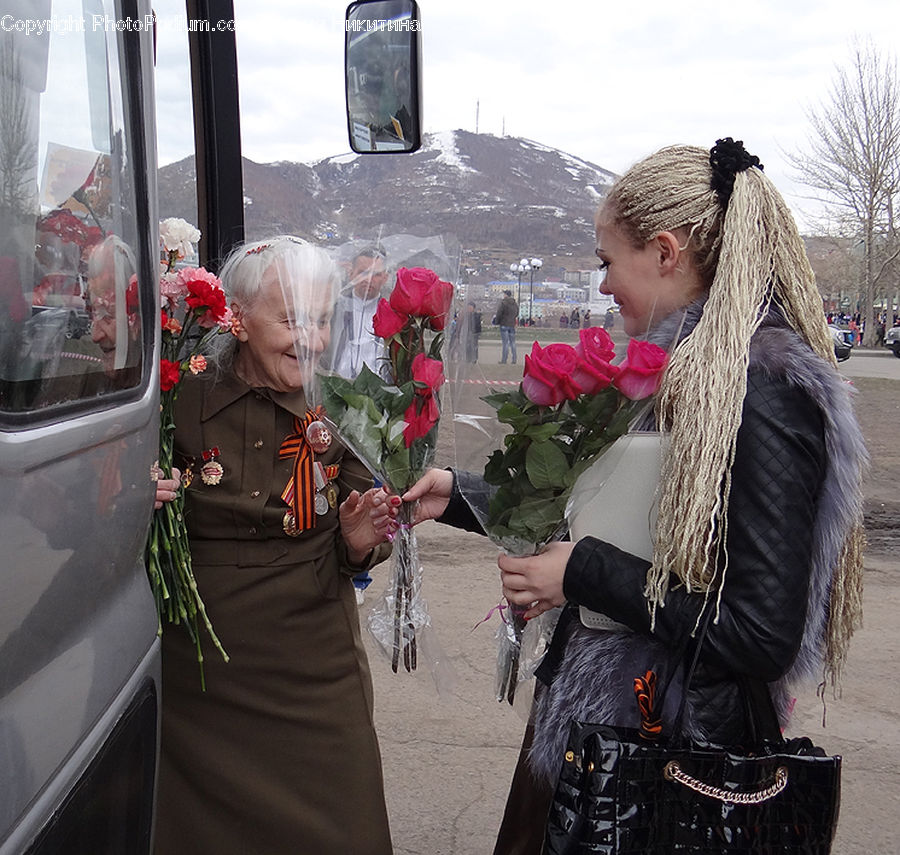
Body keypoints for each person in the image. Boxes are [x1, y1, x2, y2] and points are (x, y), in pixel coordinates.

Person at [403, 139, 867, 853]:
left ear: (665, 250)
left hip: (670, 758)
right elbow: (620, 507)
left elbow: (761, 632)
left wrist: (581, 573)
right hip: (613, 728)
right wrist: (460, 495)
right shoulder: (686, 373)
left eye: (606, 261)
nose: (603, 285)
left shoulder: (762, 387)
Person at [153, 236, 398, 855]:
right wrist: (141, 498)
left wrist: (359, 540)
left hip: (313, 663)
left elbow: (367, 532)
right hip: (200, 665)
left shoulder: (344, 405)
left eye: (321, 319)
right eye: (291, 319)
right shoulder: (179, 391)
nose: (311, 339)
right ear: (235, 312)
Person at [331, 244, 390, 379]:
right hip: (338, 388)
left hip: (380, 393)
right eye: (362, 272)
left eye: (376, 274)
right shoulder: (333, 309)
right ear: (351, 274)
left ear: (385, 278)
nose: (368, 279)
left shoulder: (393, 314)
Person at [494, 288, 518, 364]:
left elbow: (499, 313)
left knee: (505, 343)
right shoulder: (515, 304)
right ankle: (514, 359)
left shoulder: (503, 303)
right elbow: (517, 313)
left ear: (505, 295)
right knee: (513, 343)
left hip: (504, 324)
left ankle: (504, 359)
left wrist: (497, 321)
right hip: (512, 324)